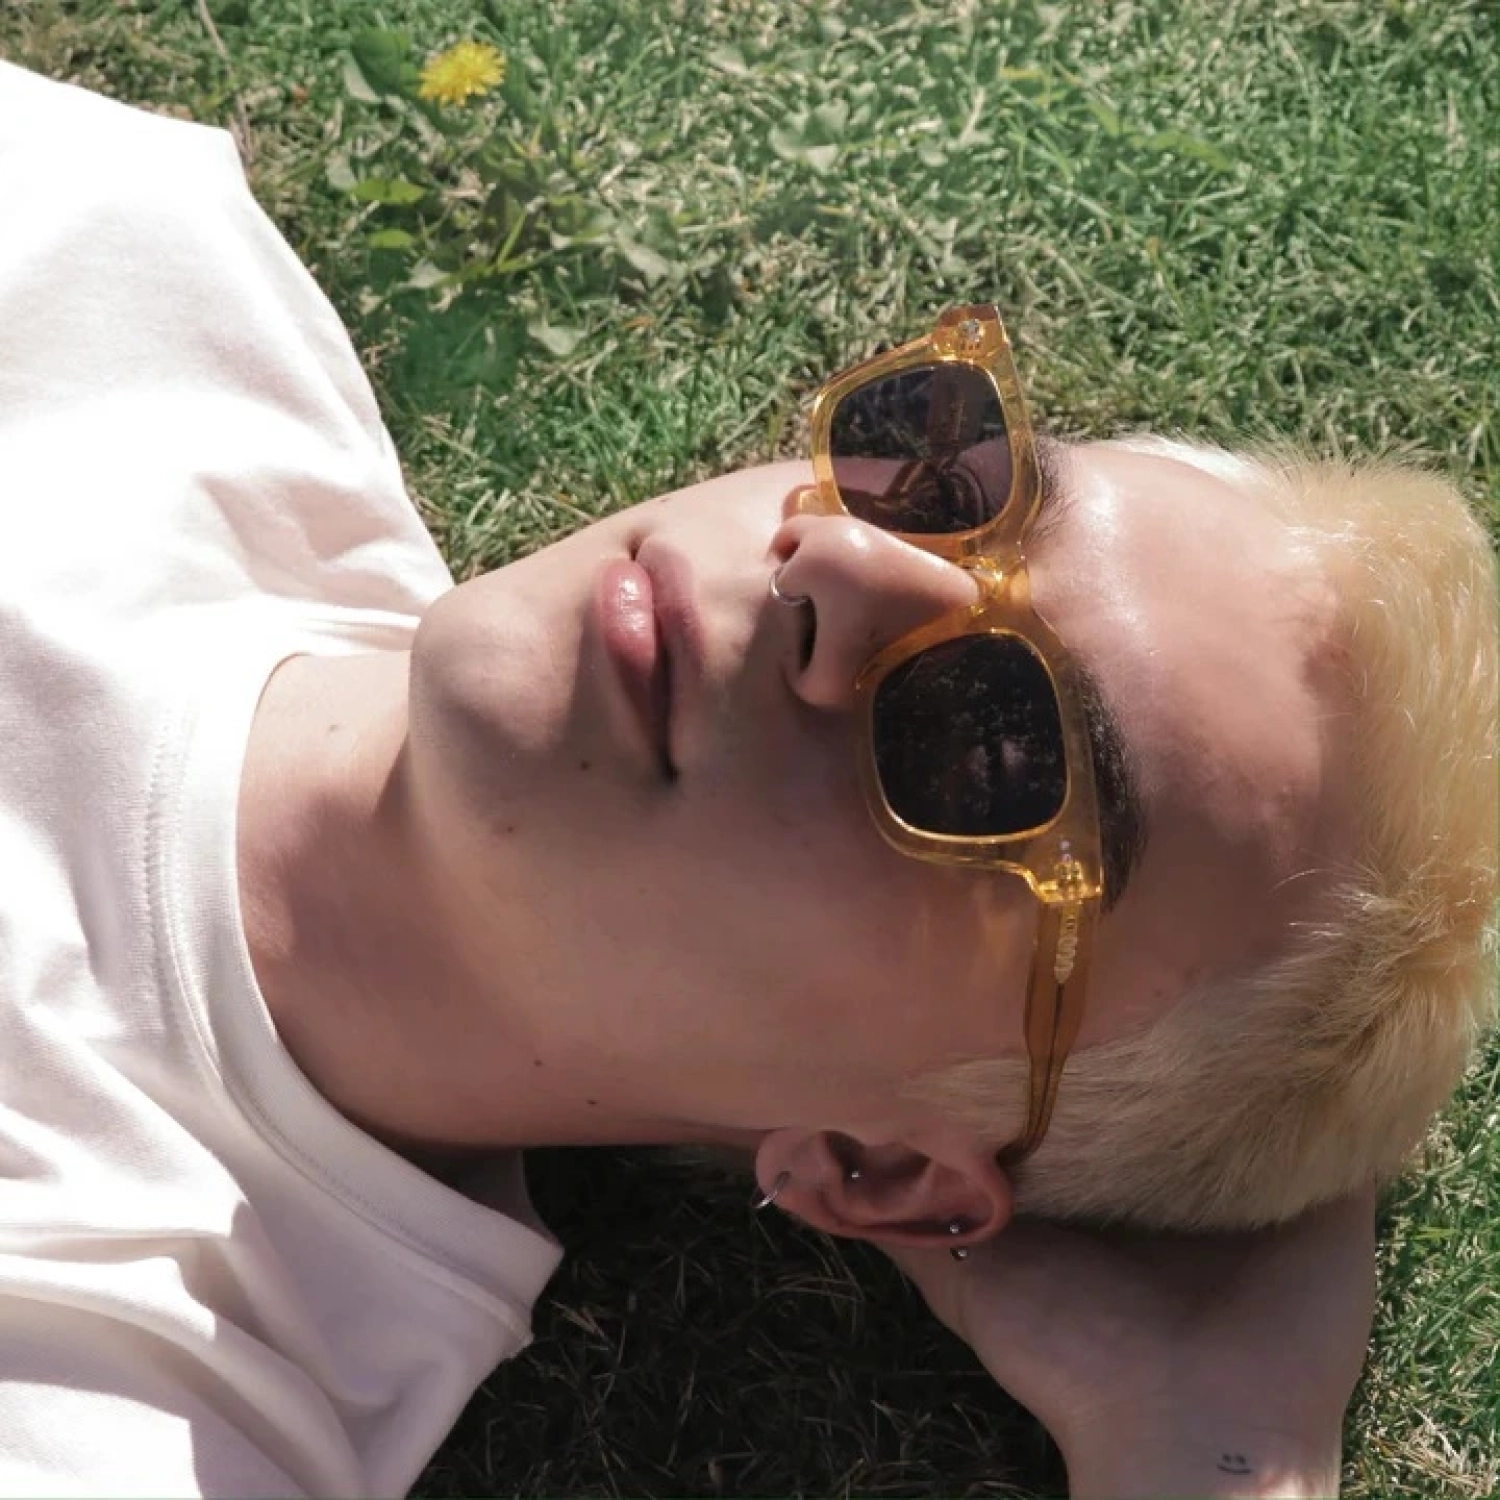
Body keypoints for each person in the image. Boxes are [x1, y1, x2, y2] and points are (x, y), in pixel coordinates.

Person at [0, 58, 1493, 1499]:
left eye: (994, 742)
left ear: (880, 1169)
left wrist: (1219, 1462)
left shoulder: (118, 1387)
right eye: (951, 479)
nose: (832, 560)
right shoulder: (111, 251)